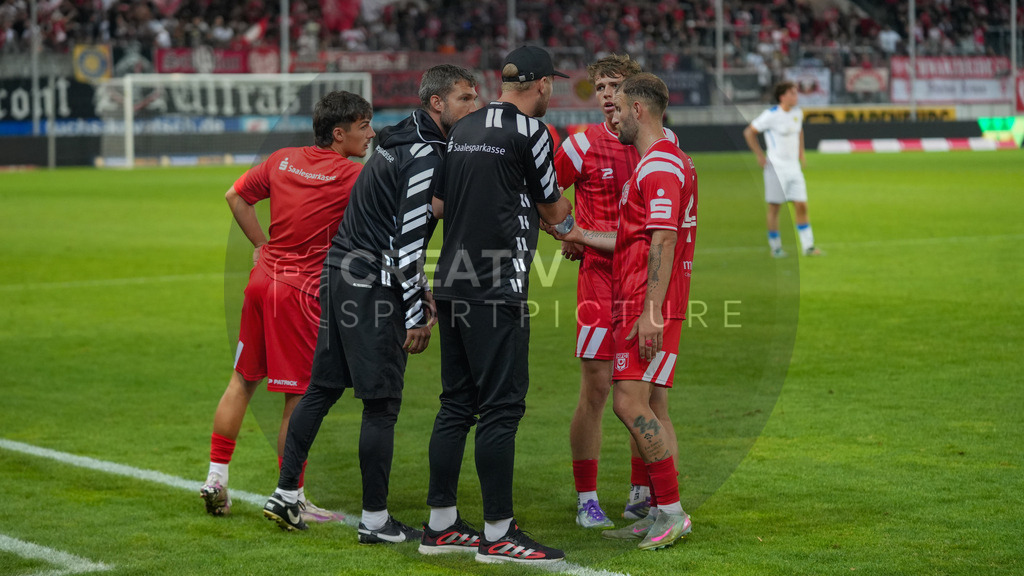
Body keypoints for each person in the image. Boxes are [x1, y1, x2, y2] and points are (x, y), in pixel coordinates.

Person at [262, 65, 479, 539]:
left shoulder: (400, 138)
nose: (474, 107)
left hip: (338, 271)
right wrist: (417, 310)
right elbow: (405, 241)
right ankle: (376, 520)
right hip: (372, 281)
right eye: (465, 98)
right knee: (380, 404)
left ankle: (285, 493)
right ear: (437, 103)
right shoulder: (426, 153)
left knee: (321, 388)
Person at [424, 45, 573, 565]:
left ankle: (440, 524)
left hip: (451, 282)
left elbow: (438, 205)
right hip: (496, 288)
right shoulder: (531, 132)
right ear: (541, 85)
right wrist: (569, 230)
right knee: (502, 409)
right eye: (552, 82)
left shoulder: (462, 128)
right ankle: (498, 533)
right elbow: (555, 205)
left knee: (455, 404)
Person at [200, 90, 374, 523]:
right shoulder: (352, 176)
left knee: (241, 381)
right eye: (363, 126)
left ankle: (216, 477)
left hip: (261, 283)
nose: (370, 134)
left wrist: (262, 245)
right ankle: (291, 495)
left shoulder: (282, 159)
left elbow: (234, 196)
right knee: (299, 398)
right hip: (300, 294)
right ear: (339, 134)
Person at [547, 72, 696, 551]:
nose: (608, 106)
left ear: (639, 109)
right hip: (635, 297)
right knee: (641, 402)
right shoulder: (664, 162)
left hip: (645, 304)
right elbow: (635, 237)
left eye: (618, 98)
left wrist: (651, 310)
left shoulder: (659, 168)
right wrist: (579, 235)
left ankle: (669, 510)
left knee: (630, 403)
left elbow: (664, 239)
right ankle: (656, 509)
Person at [743, 81, 822, 258]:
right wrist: (759, 155)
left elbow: (799, 132)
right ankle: (775, 247)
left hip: (794, 168)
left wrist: (801, 153)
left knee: (801, 205)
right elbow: (749, 132)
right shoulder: (771, 115)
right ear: (782, 96)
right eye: (793, 93)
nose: (796, 96)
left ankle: (808, 246)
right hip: (775, 169)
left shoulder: (797, 113)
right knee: (775, 208)